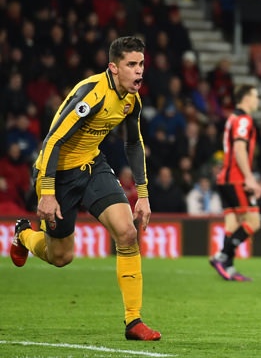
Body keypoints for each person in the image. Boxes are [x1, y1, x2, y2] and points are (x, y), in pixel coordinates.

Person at [9, 36, 161, 341]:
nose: (139, 71)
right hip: (57, 174)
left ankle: (133, 321)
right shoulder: (91, 94)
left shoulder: (132, 100)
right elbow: (53, 140)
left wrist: (143, 195)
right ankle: (24, 234)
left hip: (92, 166)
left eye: (141, 64)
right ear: (114, 68)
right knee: (60, 257)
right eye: (132, 64)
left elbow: (134, 143)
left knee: (127, 233)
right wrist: (47, 192)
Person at [209, 84, 261, 282]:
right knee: (253, 222)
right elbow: (240, 149)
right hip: (236, 179)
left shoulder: (232, 118)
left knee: (232, 224)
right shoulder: (243, 120)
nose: (257, 100)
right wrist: (249, 177)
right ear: (246, 98)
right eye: (255, 96)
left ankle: (229, 268)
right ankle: (222, 256)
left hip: (224, 179)